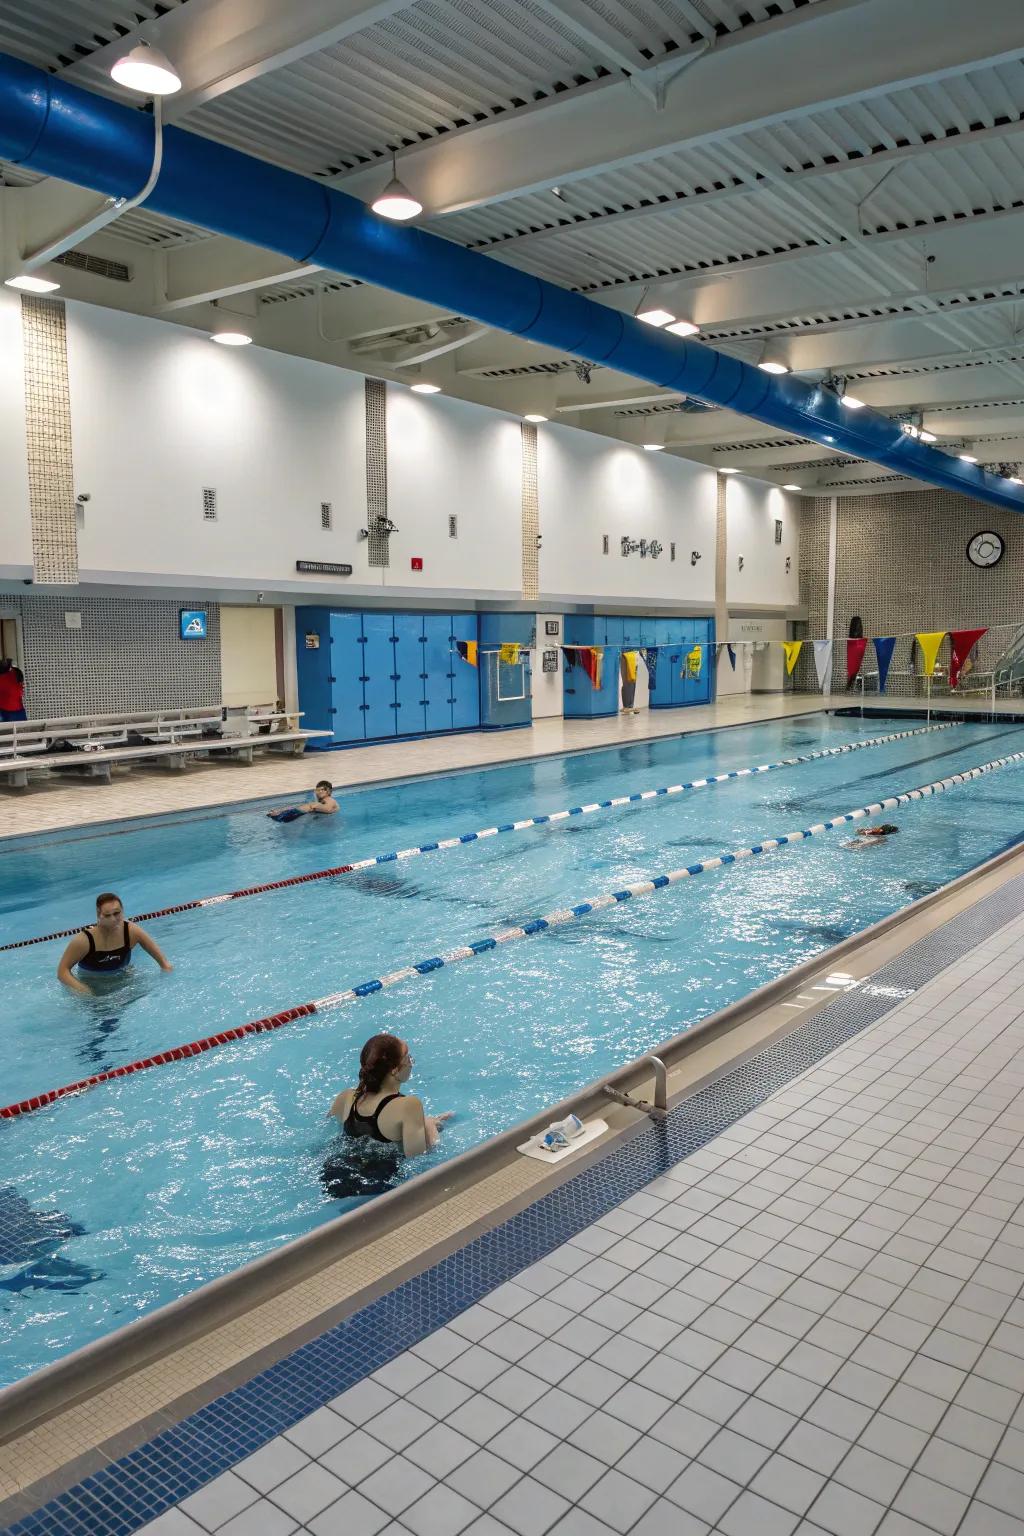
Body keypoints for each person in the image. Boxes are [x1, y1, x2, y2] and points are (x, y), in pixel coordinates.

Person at [328, 1033, 452, 1158]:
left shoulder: (345, 1097)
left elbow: (330, 1138)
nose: (411, 1063)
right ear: (395, 1069)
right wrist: (429, 1126)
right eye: (408, 1058)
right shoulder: (409, 1105)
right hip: (377, 1176)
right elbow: (420, 1162)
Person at [57, 892, 172, 995]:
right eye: (107, 915)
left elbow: (165, 964)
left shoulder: (132, 931)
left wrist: (167, 980)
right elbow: (62, 972)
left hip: (125, 980)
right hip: (93, 985)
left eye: (117, 913)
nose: (113, 919)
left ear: (123, 911)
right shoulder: (84, 940)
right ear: (98, 915)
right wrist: (84, 990)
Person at [268, 780, 338, 821]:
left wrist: (313, 806)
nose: (319, 792)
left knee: (309, 805)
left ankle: (279, 813)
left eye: (323, 790)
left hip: (296, 813)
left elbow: (328, 809)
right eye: (318, 790)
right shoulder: (321, 802)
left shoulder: (330, 799)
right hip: (297, 814)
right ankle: (279, 812)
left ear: (329, 791)